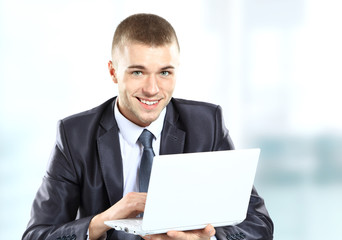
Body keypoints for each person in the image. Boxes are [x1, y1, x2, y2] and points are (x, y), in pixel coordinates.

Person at [22, 13, 274, 240]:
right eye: (137, 73)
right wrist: (102, 222)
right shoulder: (75, 135)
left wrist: (205, 238)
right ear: (113, 72)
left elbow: (258, 226)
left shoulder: (207, 125)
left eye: (165, 73)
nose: (152, 89)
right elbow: (36, 235)